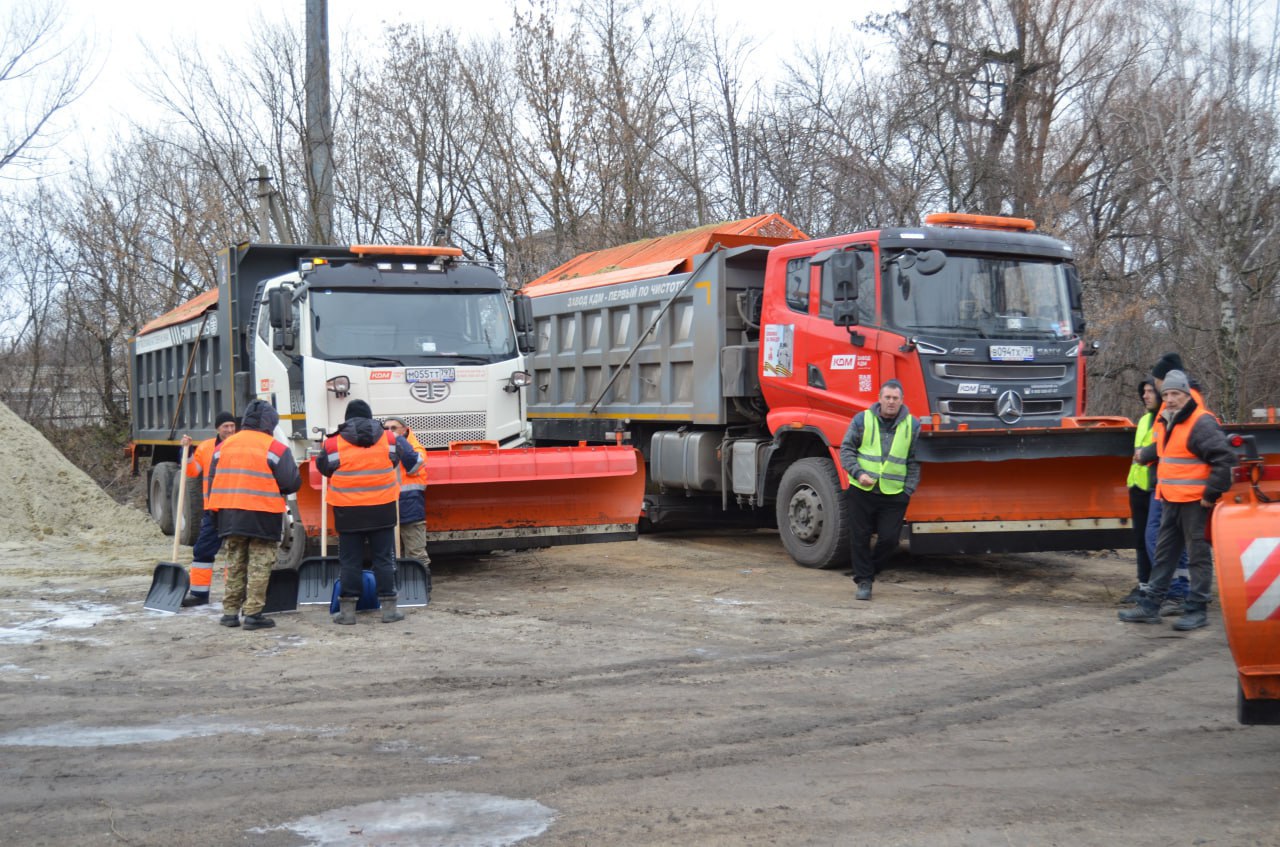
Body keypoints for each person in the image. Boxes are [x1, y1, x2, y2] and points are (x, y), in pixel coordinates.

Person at [1119, 370, 1235, 631]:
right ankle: (1151, 606)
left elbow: (1225, 460)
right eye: (1167, 394)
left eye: (1176, 394)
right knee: (1164, 555)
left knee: (1198, 557)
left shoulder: (1201, 422)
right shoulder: (1165, 419)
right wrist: (1144, 454)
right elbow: (1164, 448)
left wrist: (1210, 495)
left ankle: (1197, 609)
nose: (1170, 399)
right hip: (1170, 499)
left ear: (1187, 394)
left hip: (1195, 502)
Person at [317, 399, 424, 625]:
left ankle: (347, 614)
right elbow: (413, 464)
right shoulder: (391, 438)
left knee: (349, 561)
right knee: (384, 560)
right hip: (382, 509)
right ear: (370, 416)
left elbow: (324, 469)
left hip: (347, 512)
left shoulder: (333, 444)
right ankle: (389, 611)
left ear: (347, 419)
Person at [204, 399, 301, 631]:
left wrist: (215, 513)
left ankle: (229, 613)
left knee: (235, 563)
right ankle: (253, 614)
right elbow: (291, 482)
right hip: (262, 514)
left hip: (229, 514)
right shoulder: (275, 448)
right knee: (259, 565)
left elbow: (211, 483)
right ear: (270, 423)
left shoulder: (223, 447)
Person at [839, 379, 921, 601]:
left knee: (889, 540)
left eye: (895, 398)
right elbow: (846, 450)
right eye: (887, 397)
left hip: (894, 494)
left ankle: (867, 571)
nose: (891, 402)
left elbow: (914, 461)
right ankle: (864, 582)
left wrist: (908, 491)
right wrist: (858, 473)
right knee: (860, 537)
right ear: (880, 398)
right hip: (861, 490)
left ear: (902, 401)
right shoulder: (862, 420)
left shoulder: (912, 426)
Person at [1144, 353, 1197, 614]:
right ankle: (1179, 592)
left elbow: (1172, 445)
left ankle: (1173, 592)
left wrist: (1146, 454)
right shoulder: (1182, 403)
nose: (1154, 388)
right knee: (1177, 544)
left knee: (1158, 539)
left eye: (1157, 382)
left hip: (1174, 487)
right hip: (1173, 485)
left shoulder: (1184, 406)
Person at [178, 411, 238, 607]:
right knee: (203, 550)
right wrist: (186, 452)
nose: (229, 430)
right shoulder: (205, 448)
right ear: (217, 429)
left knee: (235, 552)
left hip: (235, 508)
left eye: (231, 426)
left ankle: (234, 593)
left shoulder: (240, 445)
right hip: (212, 509)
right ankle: (199, 594)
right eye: (225, 427)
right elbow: (193, 471)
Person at [1121, 380, 1158, 604]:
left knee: (1153, 540)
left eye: (1150, 391)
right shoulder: (1144, 419)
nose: (1145, 395)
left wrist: (1145, 454)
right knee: (1140, 540)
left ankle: (1158, 588)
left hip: (1153, 489)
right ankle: (1143, 585)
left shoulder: (1165, 420)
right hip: (1137, 487)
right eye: (1143, 391)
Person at [384, 417, 431, 569]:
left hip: (411, 509)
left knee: (417, 554)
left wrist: (400, 442)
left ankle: (423, 587)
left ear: (404, 429)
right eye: (386, 429)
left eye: (393, 428)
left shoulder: (416, 448)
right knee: (390, 555)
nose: (389, 431)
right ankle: (395, 588)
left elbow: (413, 465)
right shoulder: (382, 447)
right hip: (388, 508)